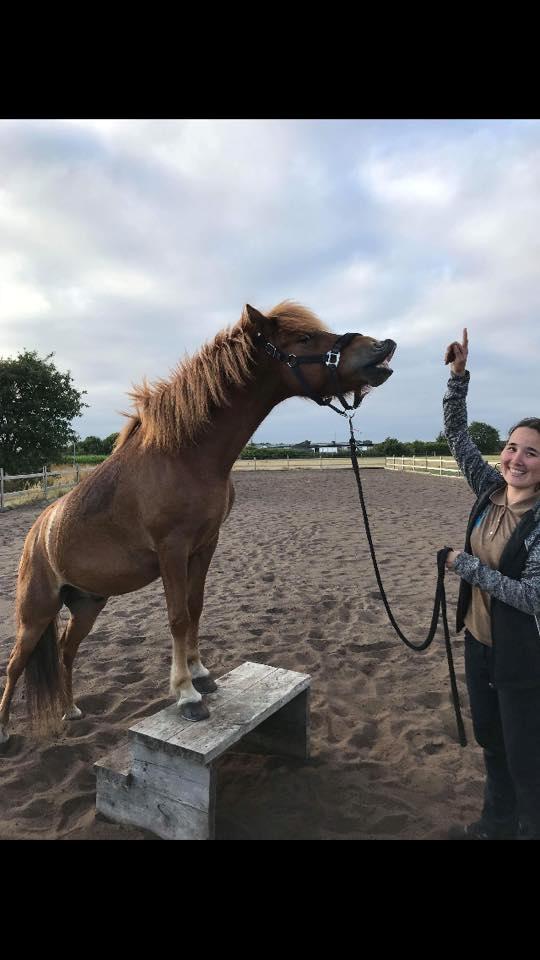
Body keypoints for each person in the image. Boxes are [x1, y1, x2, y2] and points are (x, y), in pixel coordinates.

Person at [443, 328, 540, 840]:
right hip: (479, 644)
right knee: (492, 740)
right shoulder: (488, 490)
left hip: (524, 655)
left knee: (527, 753)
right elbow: (457, 436)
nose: (515, 460)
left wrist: (467, 567)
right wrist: (459, 378)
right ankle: (495, 823)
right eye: (511, 448)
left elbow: (533, 596)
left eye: (531, 453)